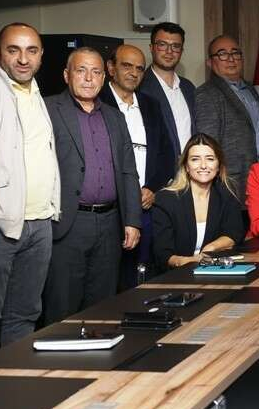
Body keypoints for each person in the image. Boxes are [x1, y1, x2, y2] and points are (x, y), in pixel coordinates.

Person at [0, 23, 60, 352]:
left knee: (24, 315)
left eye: (31, 51)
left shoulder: (36, 92)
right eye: (13, 50)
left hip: (39, 222)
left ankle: (15, 380)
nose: (23, 59)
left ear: (41, 55)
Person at [41, 48, 142, 323]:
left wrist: (132, 220)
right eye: (81, 71)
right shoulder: (47, 109)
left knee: (102, 309)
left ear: (104, 76)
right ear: (66, 75)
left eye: (96, 72)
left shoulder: (114, 116)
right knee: (62, 307)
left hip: (110, 224)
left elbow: (128, 170)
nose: (89, 78)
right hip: (68, 224)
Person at [99, 43, 174, 287]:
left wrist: (152, 187)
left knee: (143, 274)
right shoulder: (97, 102)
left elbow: (166, 154)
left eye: (140, 68)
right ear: (111, 68)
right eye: (127, 66)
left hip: (146, 203)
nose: (133, 73)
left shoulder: (151, 104)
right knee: (110, 275)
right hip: (112, 207)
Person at [152, 134, 245, 267]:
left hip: (214, 270)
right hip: (176, 273)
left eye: (210, 159)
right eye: (195, 159)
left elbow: (234, 233)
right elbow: (163, 254)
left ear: (218, 165)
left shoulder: (227, 195)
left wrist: (210, 248)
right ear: (186, 166)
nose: (203, 165)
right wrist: (190, 261)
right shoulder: (165, 199)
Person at [193, 34, 259, 199]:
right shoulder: (206, 94)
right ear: (210, 62)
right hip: (230, 185)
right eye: (222, 54)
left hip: (258, 181)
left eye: (235, 53)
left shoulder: (251, 90)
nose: (231, 59)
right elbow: (208, 145)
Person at [137, 21, 196, 158]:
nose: (169, 51)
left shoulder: (189, 88)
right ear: (152, 47)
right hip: (158, 169)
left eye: (175, 46)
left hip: (190, 167)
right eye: (162, 45)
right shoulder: (139, 87)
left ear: (181, 51)